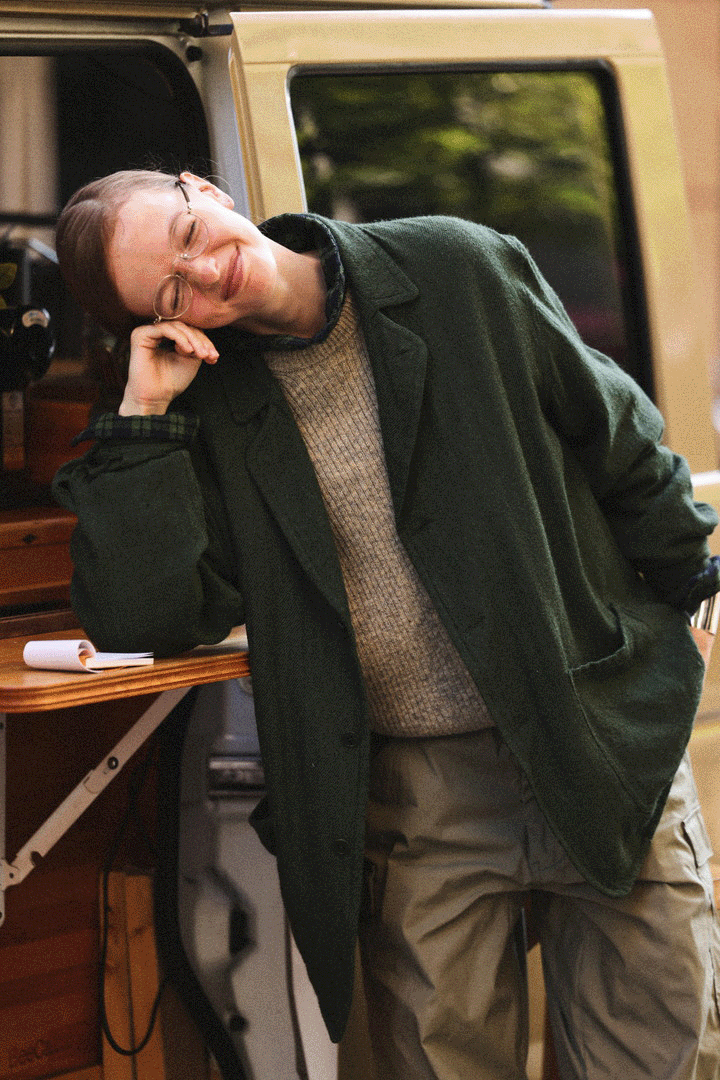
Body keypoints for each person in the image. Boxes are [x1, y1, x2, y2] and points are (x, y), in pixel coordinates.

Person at [53, 168, 720, 1080]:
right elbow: (149, 615)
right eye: (170, 294)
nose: (203, 272)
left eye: (186, 234)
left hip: (592, 736)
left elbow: (624, 445)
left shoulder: (457, 266)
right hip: (414, 797)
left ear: (204, 189)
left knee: (660, 1061)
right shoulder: (201, 404)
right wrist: (145, 416)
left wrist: (693, 609)